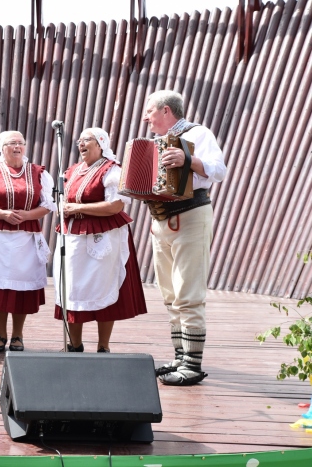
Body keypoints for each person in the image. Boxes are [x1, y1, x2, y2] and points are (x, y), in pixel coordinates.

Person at [143, 90, 227, 385]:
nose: (146, 117)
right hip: (161, 219)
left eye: (150, 111)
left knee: (189, 294)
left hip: (190, 216)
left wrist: (188, 158)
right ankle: (181, 356)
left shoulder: (198, 133)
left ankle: (192, 365)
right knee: (170, 295)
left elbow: (219, 170)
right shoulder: (152, 144)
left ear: (166, 111)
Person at [52, 127, 147, 353]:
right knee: (72, 287)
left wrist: (77, 207)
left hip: (103, 236)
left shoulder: (111, 170)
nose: (81, 144)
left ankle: (103, 346)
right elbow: (63, 199)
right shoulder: (73, 171)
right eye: (79, 141)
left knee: (103, 284)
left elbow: (115, 205)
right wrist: (62, 208)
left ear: (101, 143)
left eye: (87, 140)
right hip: (72, 236)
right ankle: (74, 345)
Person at [0, 131, 56, 352]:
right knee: (0, 287)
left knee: (22, 289)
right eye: (11, 143)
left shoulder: (39, 173)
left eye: (21, 143)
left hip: (26, 238)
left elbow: (48, 204)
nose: (17, 147)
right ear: (2, 147)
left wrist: (27, 215)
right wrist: (3, 214)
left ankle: (18, 335)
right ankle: (1, 335)